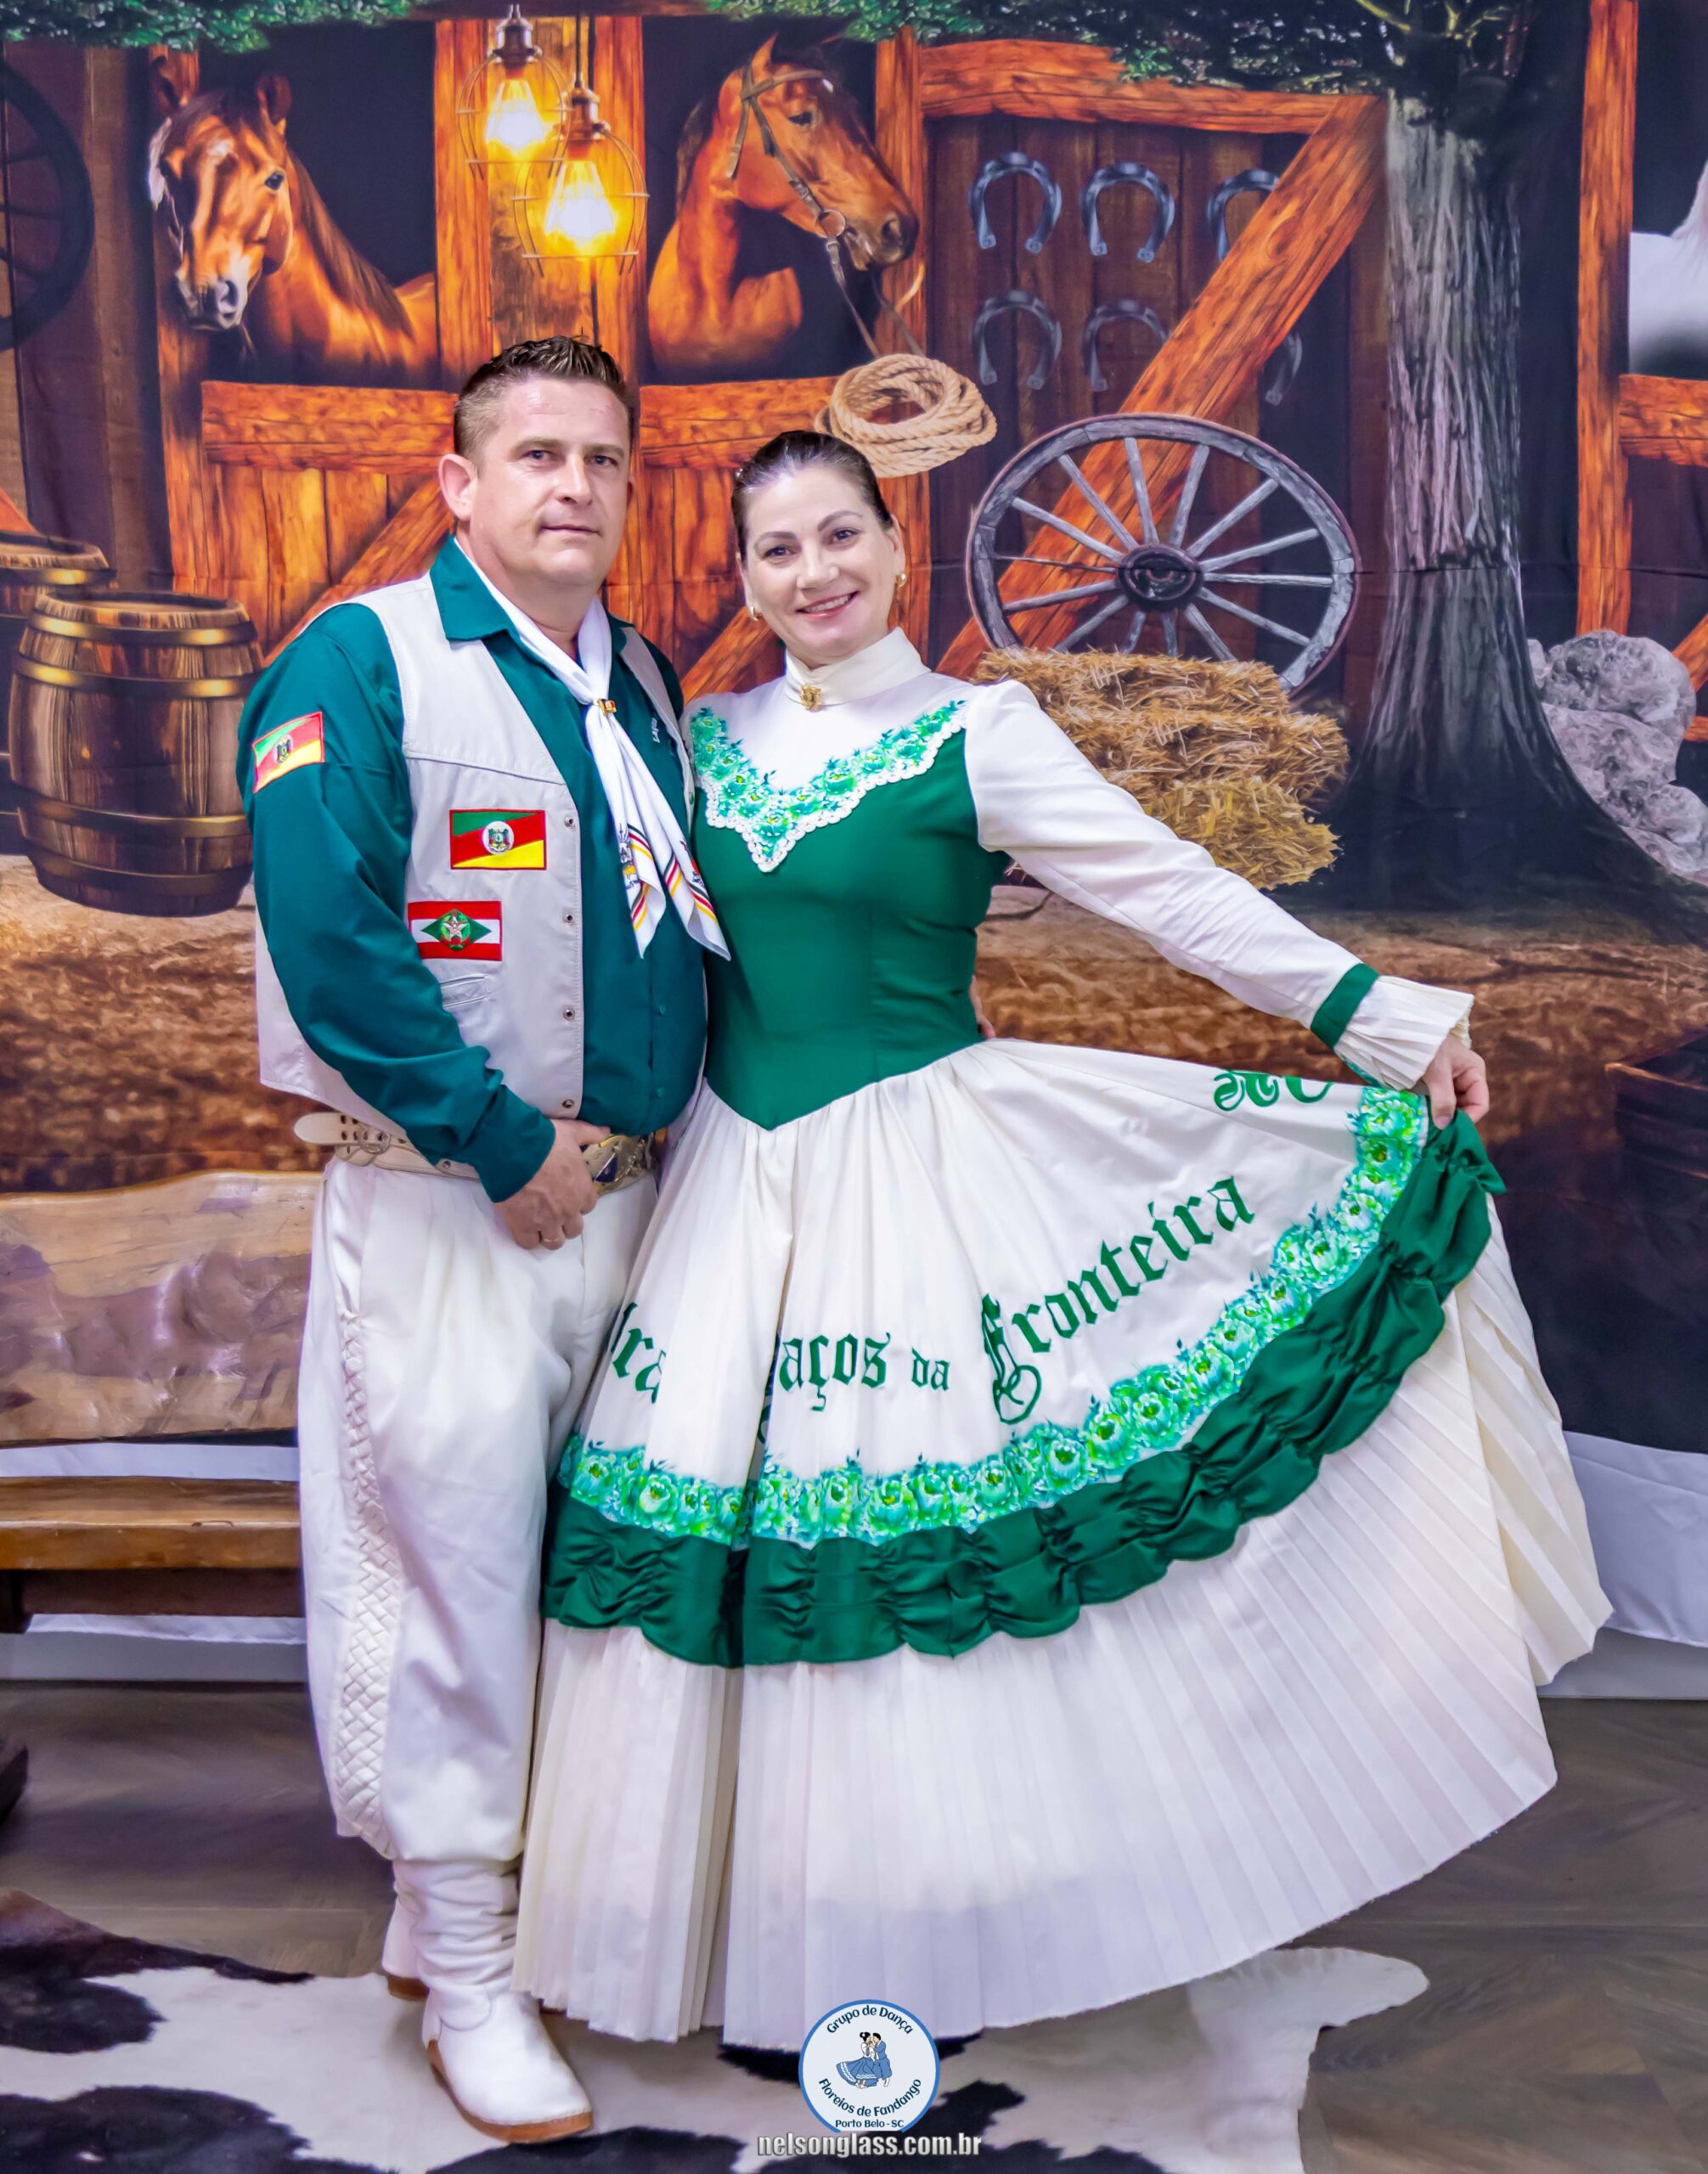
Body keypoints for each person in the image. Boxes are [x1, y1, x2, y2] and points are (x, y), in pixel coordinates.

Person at [513, 429, 1609, 2055]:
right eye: (777, 550)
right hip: (732, 1195)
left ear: (897, 545)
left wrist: (1379, 1015)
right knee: (741, 1557)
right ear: (741, 577)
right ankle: (751, 1937)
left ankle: (919, 1945)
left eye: (839, 536)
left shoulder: (979, 732)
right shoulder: (703, 736)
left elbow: (1171, 889)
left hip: (914, 1181)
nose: (813, 574)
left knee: (906, 1559)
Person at [240, 337, 724, 2141]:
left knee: (568, 1582)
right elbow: (331, 933)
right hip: (456, 1197)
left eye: (603, 457)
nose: (573, 486)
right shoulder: (360, 659)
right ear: (458, 482)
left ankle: (444, 1923)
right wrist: (500, 1138)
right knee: (454, 1573)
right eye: (534, 454)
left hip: (631, 1206)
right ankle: (470, 1974)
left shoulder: (642, 679)